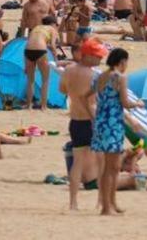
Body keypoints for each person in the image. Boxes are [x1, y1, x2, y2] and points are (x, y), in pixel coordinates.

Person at [91, 47, 144, 216]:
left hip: (101, 122)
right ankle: (107, 207)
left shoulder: (101, 76)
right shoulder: (120, 77)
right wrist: (139, 104)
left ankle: (112, 203)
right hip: (113, 124)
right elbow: (125, 103)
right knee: (111, 167)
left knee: (112, 167)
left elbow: (89, 95)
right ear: (122, 61)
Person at [59, 38, 104, 210]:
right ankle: (100, 201)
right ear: (88, 56)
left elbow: (62, 90)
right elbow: (94, 102)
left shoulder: (68, 71)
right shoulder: (94, 75)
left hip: (75, 120)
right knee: (101, 161)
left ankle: (73, 202)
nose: (99, 59)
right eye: (97, 56)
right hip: (90, 120)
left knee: (77, 162)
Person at [24, 15, 58, 110]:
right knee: (45, 80)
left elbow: (28, 42)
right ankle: (44, 106)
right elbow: (52, 45)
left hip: (27, 51)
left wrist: (25, 65)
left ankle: (28, 105)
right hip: (40, 50)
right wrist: (56, 59)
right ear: (53, 24)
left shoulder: (36, 27)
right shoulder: (52, 29)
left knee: (30, 80)